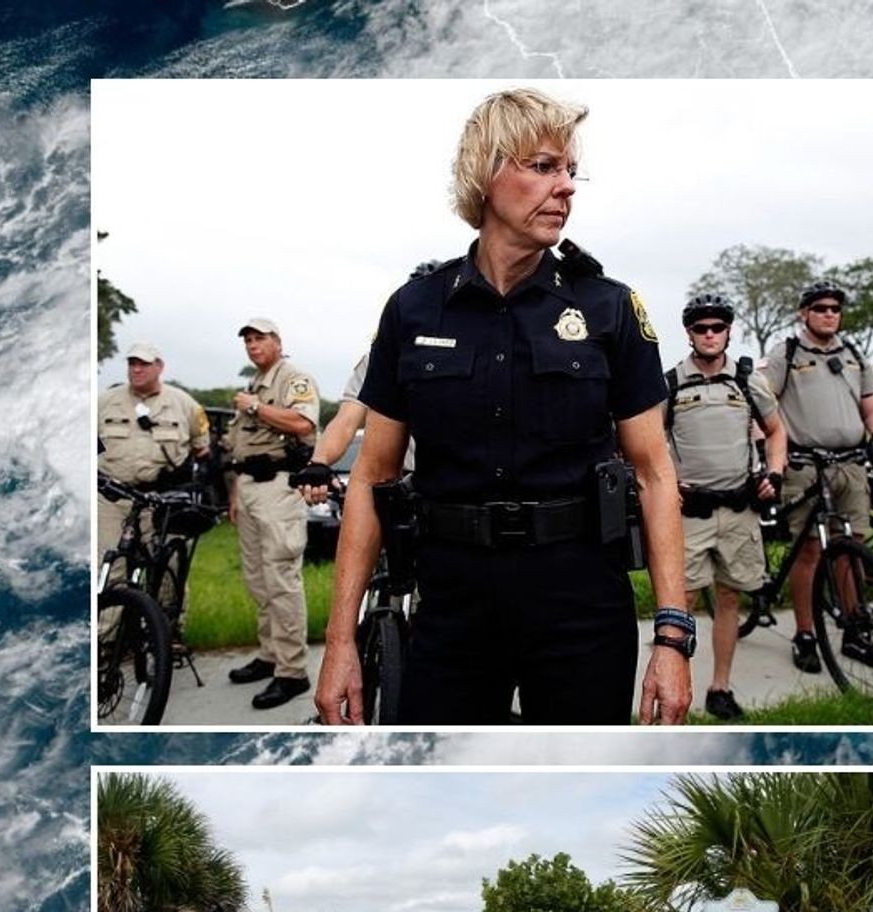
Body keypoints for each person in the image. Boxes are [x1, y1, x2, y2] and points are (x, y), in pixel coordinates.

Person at [314, 87, 693, 727]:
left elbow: (656, 476)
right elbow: (373, 477)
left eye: (571, 171)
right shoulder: (414, 308)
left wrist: (673, 638)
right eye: (544, 167)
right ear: (487, 174)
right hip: (452, 607)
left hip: (580, 603)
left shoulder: (609, 307)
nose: (566, 187)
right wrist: (341, 640)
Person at [759, 281, 873, 674]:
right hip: (804, 466)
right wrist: (768, 454)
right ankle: (805, 634)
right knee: (809, 552)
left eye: (836, 308)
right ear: (804, 313)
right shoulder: (786, 353)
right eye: (820, 307)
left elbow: (872, 403)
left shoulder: (854, 354)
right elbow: (764, 406)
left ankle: (855, 631)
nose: (829, 313)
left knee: (852, 547)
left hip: (851, 464)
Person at [665, 296, 787, 720]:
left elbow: (776, 430)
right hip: (690, 512)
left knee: (730, 596)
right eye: (701, 328)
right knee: (683, 600)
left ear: (729, 331)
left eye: (718, 327)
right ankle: (676, 685)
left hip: (738, 510)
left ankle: (720, 686)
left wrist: (774, 472)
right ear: (690, 334)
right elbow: (645, 444)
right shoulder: (670, 383)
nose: (710, 334)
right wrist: (666, 485)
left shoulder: (748, 381)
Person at [222, 319, 320, 710]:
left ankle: (293, 672)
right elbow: (241, 447)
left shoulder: (292, 379)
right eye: (247, 339)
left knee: (280, 579)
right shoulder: (255, 383)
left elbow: (303, 423)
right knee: (258, 579)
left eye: (259, 337)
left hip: (279, 487)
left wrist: (257, 408)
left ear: (278, 342)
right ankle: (270, 655)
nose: (251, 344)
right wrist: (234, 492)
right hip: (248, 488)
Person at [96, 342, 210, 585]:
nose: (136, 369)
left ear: (159, 367)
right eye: (132, 364)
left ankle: (165, 622)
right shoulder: (104, 402)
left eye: (144, 364)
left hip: (163, 500)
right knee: (110, 569)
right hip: (113, 498)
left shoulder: (185, 405)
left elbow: (202, 449)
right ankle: (108, 623)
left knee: (168, 570)